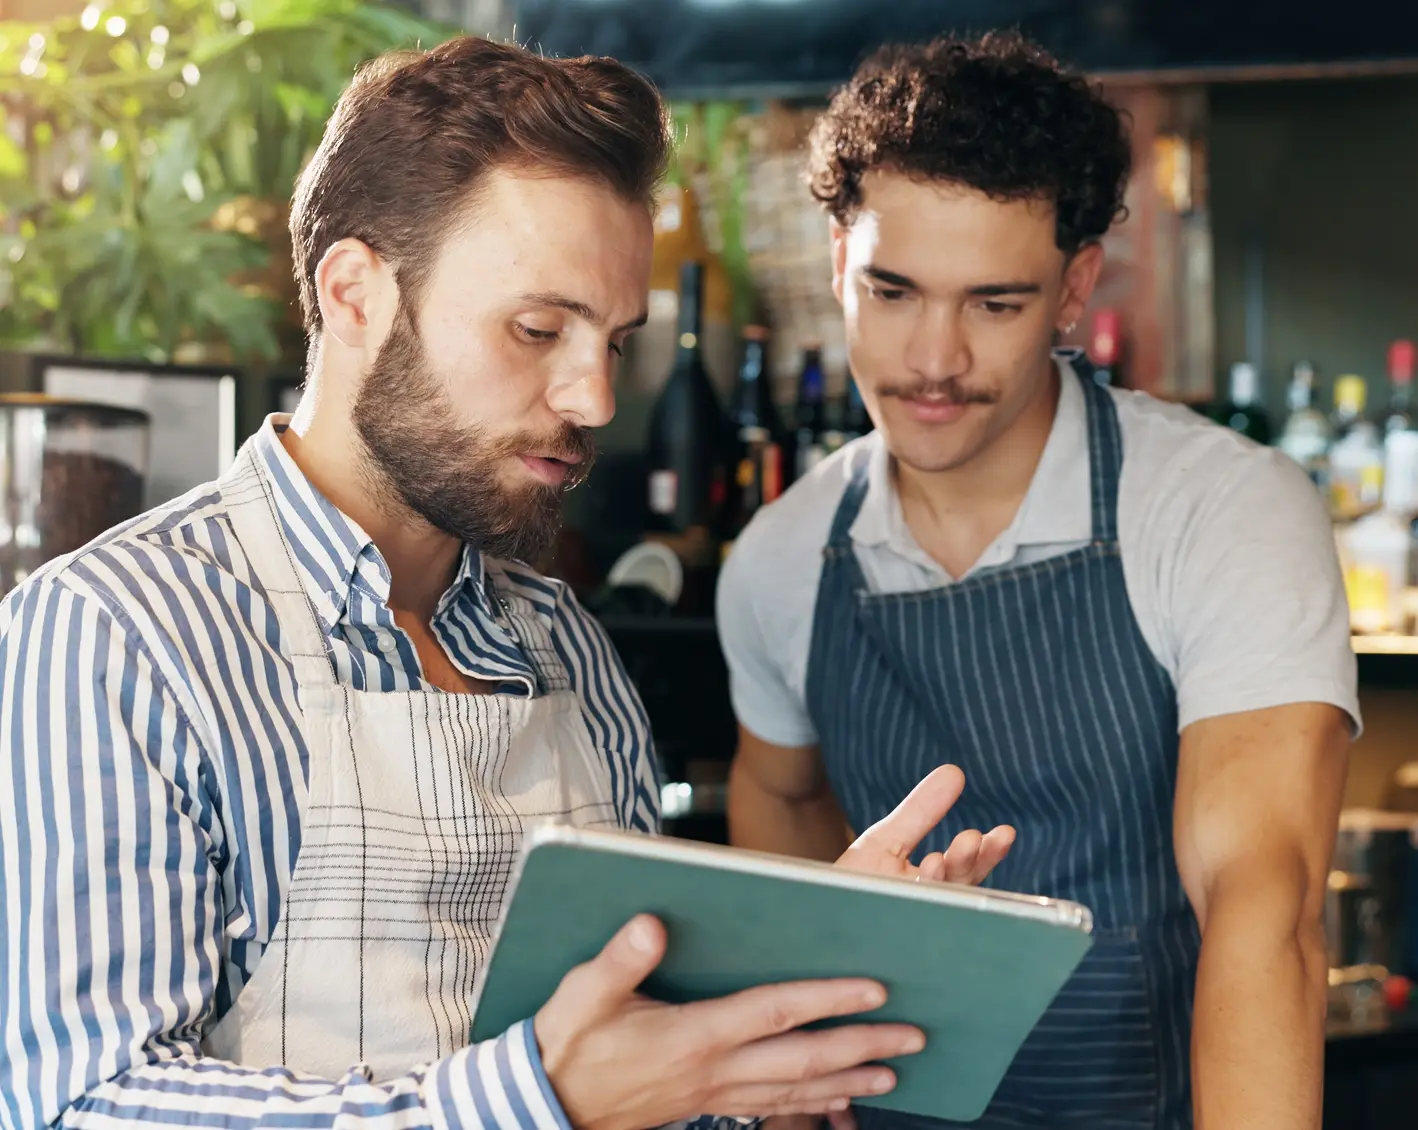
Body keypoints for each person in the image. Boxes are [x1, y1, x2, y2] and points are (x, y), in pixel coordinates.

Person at [0, 36, 1012, 1130]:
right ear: (354, 295)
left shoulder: (566, 644)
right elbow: (81, 1101)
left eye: (613, 343)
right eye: (538, 329)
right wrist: (538, 1097)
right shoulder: (117, 635)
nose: (593, 399)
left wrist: (790, 1002)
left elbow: (641, 1067)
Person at [717, 31, 1356, 1130]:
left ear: (1073, 290)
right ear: (837, 263)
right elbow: (778, 796)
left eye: (994, 303)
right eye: (892, 291)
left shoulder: (1219, 511)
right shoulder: (782, 556)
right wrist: (792, 1063)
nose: (933, 359)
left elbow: (1264, 902)